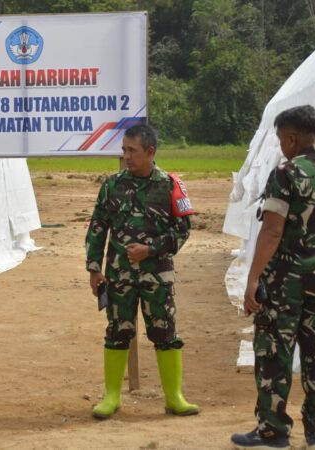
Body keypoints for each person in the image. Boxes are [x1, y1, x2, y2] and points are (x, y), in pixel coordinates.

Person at [231, 105, 315, 450]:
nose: (281, 146)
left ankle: (273, 432)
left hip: (285, 282)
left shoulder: (285, 173)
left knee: (274, 356)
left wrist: (253, 280)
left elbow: (272, 232)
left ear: (291, 137)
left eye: (281, 140)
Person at [85, 124, 199, 419]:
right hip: (119, 276)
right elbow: (97, 228)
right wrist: (94, 268)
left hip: (157, 276)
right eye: (123, 150)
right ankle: (112, 396)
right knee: (117, 331)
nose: (125, 156)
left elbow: (184, 231)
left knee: (165, 332)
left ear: (150, 152)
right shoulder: (112, 186)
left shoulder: (171, 185)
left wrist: (151, 250)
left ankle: (174, 397)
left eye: (131, 151)